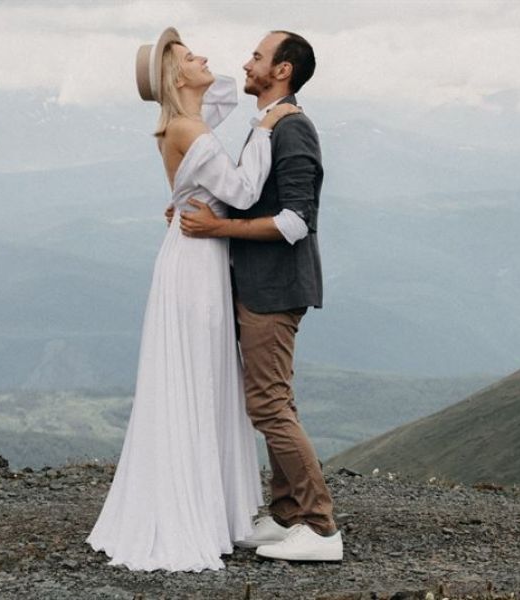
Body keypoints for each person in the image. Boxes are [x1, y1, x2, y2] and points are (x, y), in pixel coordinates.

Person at [86, 27, 300, 572]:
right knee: (198, 376)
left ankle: (211, 507)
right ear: (176, 76)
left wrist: (184, 76)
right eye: (190, 55)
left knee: (203, 376)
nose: (207, 56)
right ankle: (193, 510)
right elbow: (246, 192)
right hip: (196, 263)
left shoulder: (185, 121)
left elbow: (223, 90)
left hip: (197, 256)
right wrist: (266, 122)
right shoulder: (186, 126)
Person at [178, 30, 341, 562]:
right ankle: (288, 515)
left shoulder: (292, 130)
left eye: (256, 57)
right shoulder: (269, 125)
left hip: (275, 289)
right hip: (261, 285)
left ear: (283, 71)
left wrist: (216, 231)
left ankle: (320, 529)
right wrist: (204, 208)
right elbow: (251, 198)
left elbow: (296, 221)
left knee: (268, 406)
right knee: (274, 400)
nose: (245, 63)